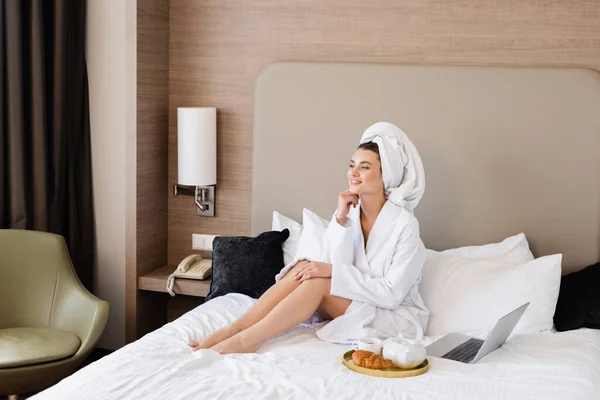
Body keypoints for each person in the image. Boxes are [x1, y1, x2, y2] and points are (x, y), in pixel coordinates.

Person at [189, 122, 428, 354]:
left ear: (386, 175)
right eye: (352, 165)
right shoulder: (351, 212)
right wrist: (341, 221)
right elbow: (332, 262)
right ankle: (235, 328)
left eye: (364, 167)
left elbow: (391, 294)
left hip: (391, 317)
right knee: (304, 267)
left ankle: (245, 341)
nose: (353, 173)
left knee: (317, 281)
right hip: (357, 302)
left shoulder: (404, 225)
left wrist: (332, 271)